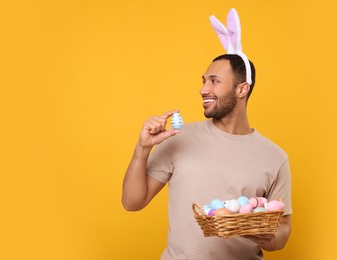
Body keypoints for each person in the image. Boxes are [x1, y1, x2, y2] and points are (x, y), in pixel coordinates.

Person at [121, 53, 292, 259]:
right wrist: (142, 149)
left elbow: (283, 230)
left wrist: (266, 235)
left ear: (242, 89)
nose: (203, 90)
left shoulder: (274, 157)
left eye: (214, 81)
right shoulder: (179, 137)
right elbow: (132, 202)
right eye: (204, 81)